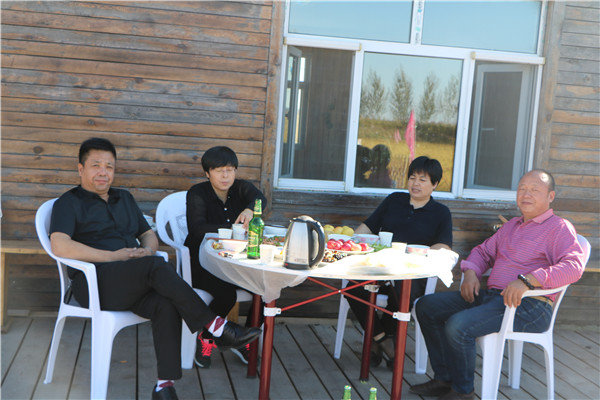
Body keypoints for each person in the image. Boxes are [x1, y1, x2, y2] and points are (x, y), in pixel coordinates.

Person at [50, 138, 261, 400]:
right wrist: (113, 256)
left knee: (165, 301)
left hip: (133, 278)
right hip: (96, 283)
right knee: (156, 266)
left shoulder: (123, 198)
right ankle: (216, 326)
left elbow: (148, 234)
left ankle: (164, 386)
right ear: (80, 168)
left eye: (109, 166)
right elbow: (59, 245)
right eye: (96, 165)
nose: (103, 172)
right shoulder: (68, 203)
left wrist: (148, 250)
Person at [412, 169, 586, 400]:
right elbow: (483, 252)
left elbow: (574, 267)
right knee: (426, 306)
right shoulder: (512, 226)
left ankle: (463, 392)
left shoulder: (559, 227)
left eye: (534, 190)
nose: (526, 194)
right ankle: (445, 379)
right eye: (522, 189)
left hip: (530, 305)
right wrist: (471, 272)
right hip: (495, 297)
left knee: (458, 325)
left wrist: (528, 280)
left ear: (550, 196)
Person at [346, 156, 452, 367]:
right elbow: (367, 228)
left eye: (422, 179)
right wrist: (352, 242)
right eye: (412, 178)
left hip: (412, 273)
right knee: (353, 288)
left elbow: (444, 246)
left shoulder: (441, 213)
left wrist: (420, 254)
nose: (415, 183)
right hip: (380, 267)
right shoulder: (394, 200)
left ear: (435, 184)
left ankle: (377, 343)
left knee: (404, 291)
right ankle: (384, 341)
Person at [184, 146, 266, 368]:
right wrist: (233, 229)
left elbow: (259, 198)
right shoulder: (197, 193)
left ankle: (243, 340)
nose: (225, 176)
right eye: (219, 170)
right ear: (207, 173)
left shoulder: (241, 188)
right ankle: (207, 338)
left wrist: (250, 210)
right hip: (202, 263)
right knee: (226, 295)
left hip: (235, 262)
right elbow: (197, 229)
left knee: (265, 290)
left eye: (230, 170)